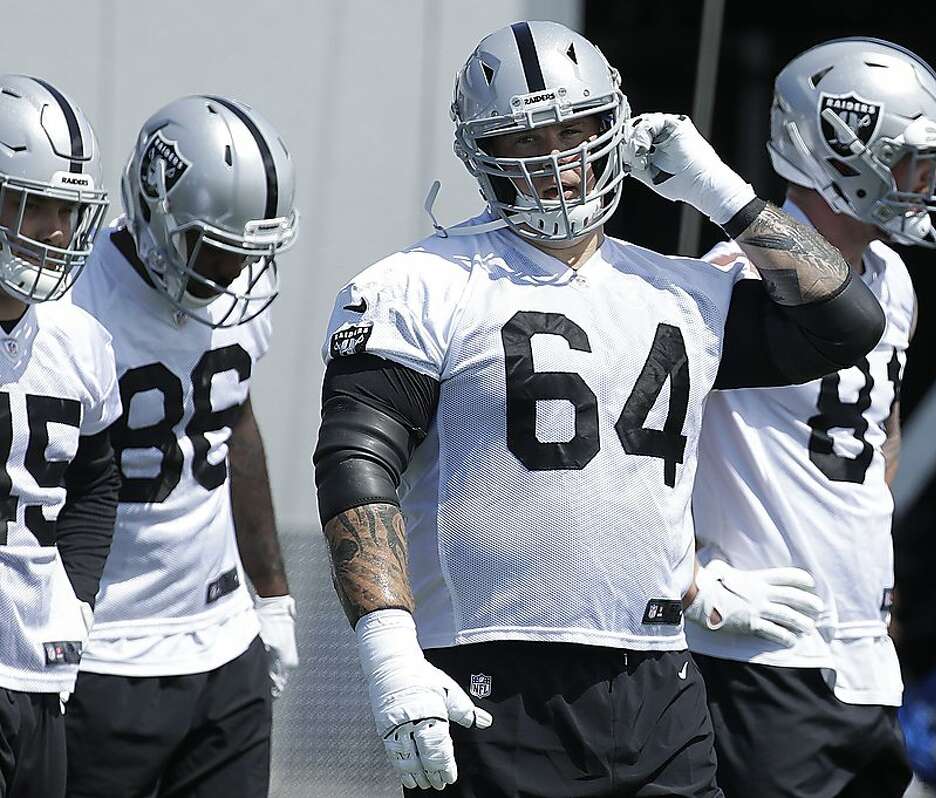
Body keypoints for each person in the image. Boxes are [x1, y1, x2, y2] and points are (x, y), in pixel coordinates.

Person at [314, 21, 886, 797]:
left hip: (657, 677)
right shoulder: (419, 284)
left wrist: (722, 192)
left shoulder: (683, 291)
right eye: (523, 140)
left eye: (576, 128)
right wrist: (389, 651)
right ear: (481, 154)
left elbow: (847, 321)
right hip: (492, 671)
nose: (556, 160)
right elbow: (356, 463)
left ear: (613, 127)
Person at [684, 37, 936, 798]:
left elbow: (882, 435)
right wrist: (682, 576)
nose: (930, 179)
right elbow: (637, 450)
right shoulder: (728, 281)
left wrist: (872, 582)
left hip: (863, 653)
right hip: (763, 655)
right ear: (840, 151)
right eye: (912, 158)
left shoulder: (892, 277)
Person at [63, 95, 300, 798]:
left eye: (247, 251)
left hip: (224, 650)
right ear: (154, 209)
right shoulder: (71, 301)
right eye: (216, 246)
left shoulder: (237, 295)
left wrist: (275, 596)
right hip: (96, 654)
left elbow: (235, 426)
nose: (232, 272)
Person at [0, 74, 121, 798]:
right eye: (36, 204)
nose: (54, 230)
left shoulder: (80, 340)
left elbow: (96, 479)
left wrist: (75, 593)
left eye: (68, 210)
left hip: (35, 663)